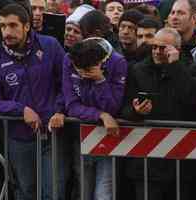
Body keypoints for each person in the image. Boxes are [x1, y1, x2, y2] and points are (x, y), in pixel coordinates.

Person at [0, 4, 69, 200]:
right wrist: (21, 110)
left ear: (27, 26)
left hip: (52, 134)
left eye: (12, 25)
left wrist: (60, 109)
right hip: (19, 137)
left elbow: (67, 83)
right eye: (3, 26)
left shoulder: (50, 46)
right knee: (26, 192)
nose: (7, 31)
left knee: (53, 192)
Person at [121, 27, 196, 200]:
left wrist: (175, 67)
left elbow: (193, 98)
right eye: (155, 47)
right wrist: (136, 112)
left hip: (182, 160)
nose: (157, 52)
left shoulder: (192, 69)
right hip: (146, 161)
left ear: (177, 50)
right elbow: (124, 109)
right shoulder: (138, 70)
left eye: (163, 48)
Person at [63, 37, 128, 200]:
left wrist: (100, 80)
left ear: (100, 63)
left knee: (103, 194)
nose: (81, 75)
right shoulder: (69, 59)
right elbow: (71, 106)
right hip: (81, 136)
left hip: (108, 139)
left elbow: (113, 107)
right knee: (83, 191)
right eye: (78, 70)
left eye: (86, 71)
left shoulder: (117, 62)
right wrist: (101, 115)